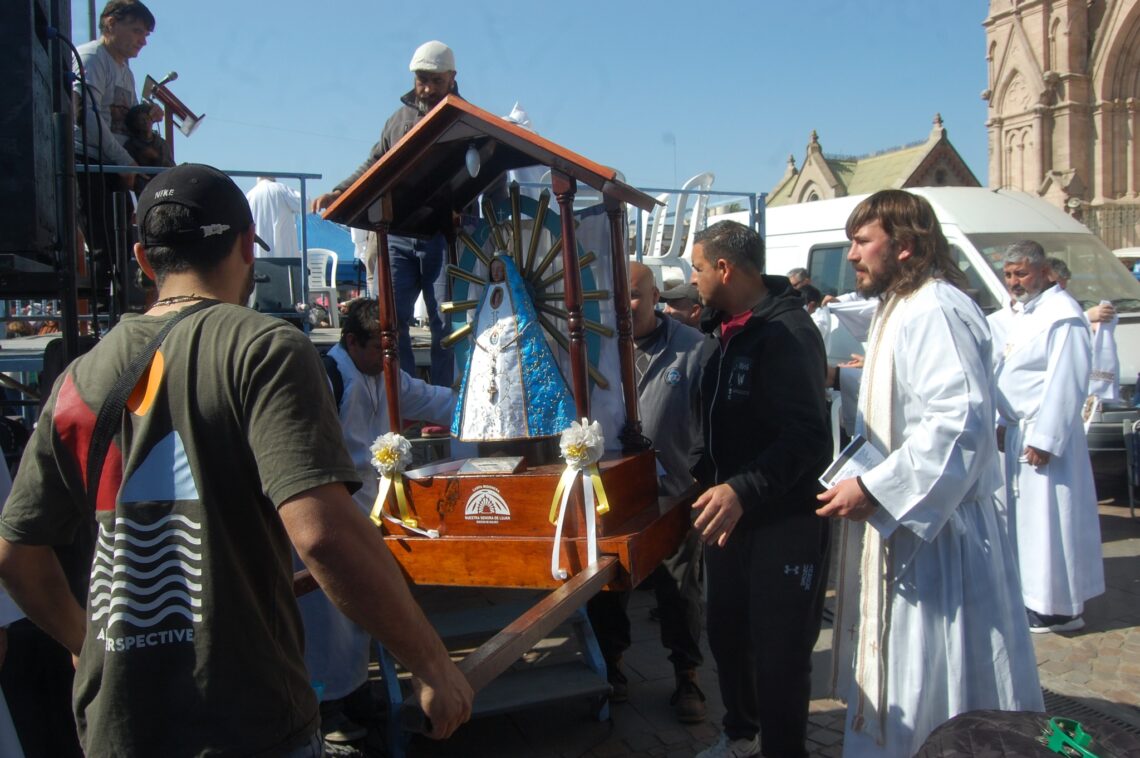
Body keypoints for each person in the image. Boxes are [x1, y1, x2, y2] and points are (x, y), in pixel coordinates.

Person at [0, 164, 472, 757]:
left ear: (146, 260)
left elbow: (17, 553)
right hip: (246, 719)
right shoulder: (265, 349)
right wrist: (431, 664)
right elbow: (321, 534)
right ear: (248, 246)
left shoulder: (78, 378)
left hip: (118, 729)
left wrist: (83, 642)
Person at [816, 190, 1042, 757]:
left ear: (906, 245)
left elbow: (959, 420)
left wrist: (872, 487)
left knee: (940, 679)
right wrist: (838, 380)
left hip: (940, 540)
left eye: (862, 241)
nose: (852, 255)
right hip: (912, 528)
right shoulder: (905, 303)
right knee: (909, 671)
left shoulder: (936, 308)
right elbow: (907, 396)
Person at [688, 221, 832, 758]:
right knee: (727, 635)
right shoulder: (722, 328)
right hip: (729, 519)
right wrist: (703, 479)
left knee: (780, 654)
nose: (694, 278)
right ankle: (741, 734)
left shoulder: (787, 332)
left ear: (725, 269)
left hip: (783, 520)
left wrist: (743, 489)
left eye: (699, 268)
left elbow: (808, 436)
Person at [306, 297, 456, 746]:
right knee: (329, 618)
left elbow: (433, 400)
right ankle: (326, 708)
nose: (388, 358)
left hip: (376, 512)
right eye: (379, 348)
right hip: (334, 513)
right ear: (351, 342)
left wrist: (484, 400)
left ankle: (354, 694)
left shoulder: (386, 374)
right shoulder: (327, 378)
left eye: (393, 348)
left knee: (365, 610)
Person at [586, 262, 713, 724]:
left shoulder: (693, 349)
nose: (626, 305)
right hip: (614, 496)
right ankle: (613, 669)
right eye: (618, 296)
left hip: (675, 492)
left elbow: (708, 423)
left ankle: (687, 676)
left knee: (680, 589)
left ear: (655, 294)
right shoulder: (595, 349)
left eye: (635, 294)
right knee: (608, 587)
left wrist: (700, 479)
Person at [311, 40, 461, 387]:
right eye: (421, 79)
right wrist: (340, 191)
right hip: (396, 235)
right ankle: (405, 398)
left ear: (452, 77)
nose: (426, 88)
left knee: (445, 322)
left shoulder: (463, 119)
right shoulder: (398, 121)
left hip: (443, 237)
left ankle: (440, 401)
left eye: (435, 81)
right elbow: (372, 164)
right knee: (391, 323)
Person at [995, 240, 1105, 633]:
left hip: (1044, 436)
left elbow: (1067, 379)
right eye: (1008, 275)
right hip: (1018, 431)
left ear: (1044, 272)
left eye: (1021, 273)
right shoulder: (1026, 313)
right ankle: (1033, 597)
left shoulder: (1063, 314)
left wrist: (1045, 438)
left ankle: (1059, 608)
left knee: (1050, 522)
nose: (1014, 282)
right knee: (1027, 524)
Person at [452, 255, 574, 441]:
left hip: (513, 349)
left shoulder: (515, 294)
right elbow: (482, 321)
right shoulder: (488, 293)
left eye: (501, 269)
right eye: (494, 270)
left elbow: (523, 318)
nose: (497, 273)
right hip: (488, 353)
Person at [74, 0, 160, 266]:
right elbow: (85, 115)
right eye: (136, 31)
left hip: (116, 166)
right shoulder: (92, 58)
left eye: (145, 34)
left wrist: (146, 113)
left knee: (123, 244)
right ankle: (106, 303)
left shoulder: (126, 71)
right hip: (91, 164)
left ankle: (123, 300)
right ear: (111, 23)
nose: (143, 41)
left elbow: (127, 118)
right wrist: (124, 161)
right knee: (105, 248)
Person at [246, 177, 302, 259]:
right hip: (285, 259)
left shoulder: (249, 196)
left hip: (259, 260)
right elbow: (306, 203)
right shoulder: (280, 189)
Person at [121, 104, 173, 190]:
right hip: (142, 191)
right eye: (141, 120)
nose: (146, 122)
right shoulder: (130, 145)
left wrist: (156, 157)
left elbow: (171, 168)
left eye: (147, 118)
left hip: (162, 188)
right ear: (135, 124)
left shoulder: (162, 143)